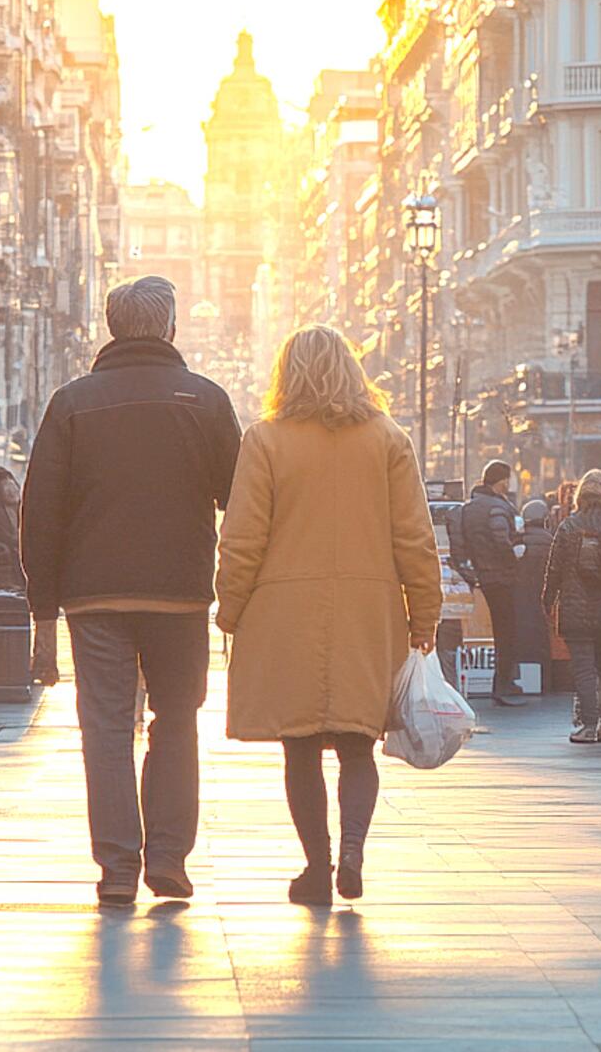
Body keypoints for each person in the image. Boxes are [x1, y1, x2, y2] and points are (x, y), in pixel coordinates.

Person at [21, 276, 242, 907]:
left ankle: (118, 867)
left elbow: (41, 513)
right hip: (180, 594)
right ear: (170, 327)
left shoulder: (72, 403)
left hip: (95, 599)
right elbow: (242, 501)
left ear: (112, 328)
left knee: (107, 729)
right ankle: (169, 857)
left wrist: (43, 615)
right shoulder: (205, 401)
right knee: (176, 723)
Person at [216, 325, 440, 906]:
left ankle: (317, 866)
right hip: (368, 614)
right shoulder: (388, 439)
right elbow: (415, 538)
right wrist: (425, 618)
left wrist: (231, 608)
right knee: (358, 743)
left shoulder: (265, 441)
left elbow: (242, 538)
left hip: (283, 612)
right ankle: (355, 855)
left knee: (300, 747)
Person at [543, 470, 601, 744]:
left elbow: (554, 569)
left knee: (583, 668)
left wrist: (548, 600)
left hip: (575, 607)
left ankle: (590, 726)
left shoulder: (568, 527)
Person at [0, 466, 57, 685]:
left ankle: (35, 665)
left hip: (22, 572)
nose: (10, 487)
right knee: (5, 620)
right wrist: (1, 549)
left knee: (26, 618)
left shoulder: (19, 508)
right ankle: (10, 666)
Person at [458, 459, 528, 706]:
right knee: (506, 629)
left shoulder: (470, 507)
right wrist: (514, 555)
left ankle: (503, 682)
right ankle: (503, 683)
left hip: (481, 574)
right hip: (500, 575)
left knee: (499, 627)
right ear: (503, 481)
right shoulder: (497, 506)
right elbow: (500, 536)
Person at [517, 498, 560, 694]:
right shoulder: (551, 541)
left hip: (521, 598)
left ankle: (524, 680)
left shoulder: (519, 542)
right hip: (543, 597)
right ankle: (546, 682)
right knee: (543, 640)